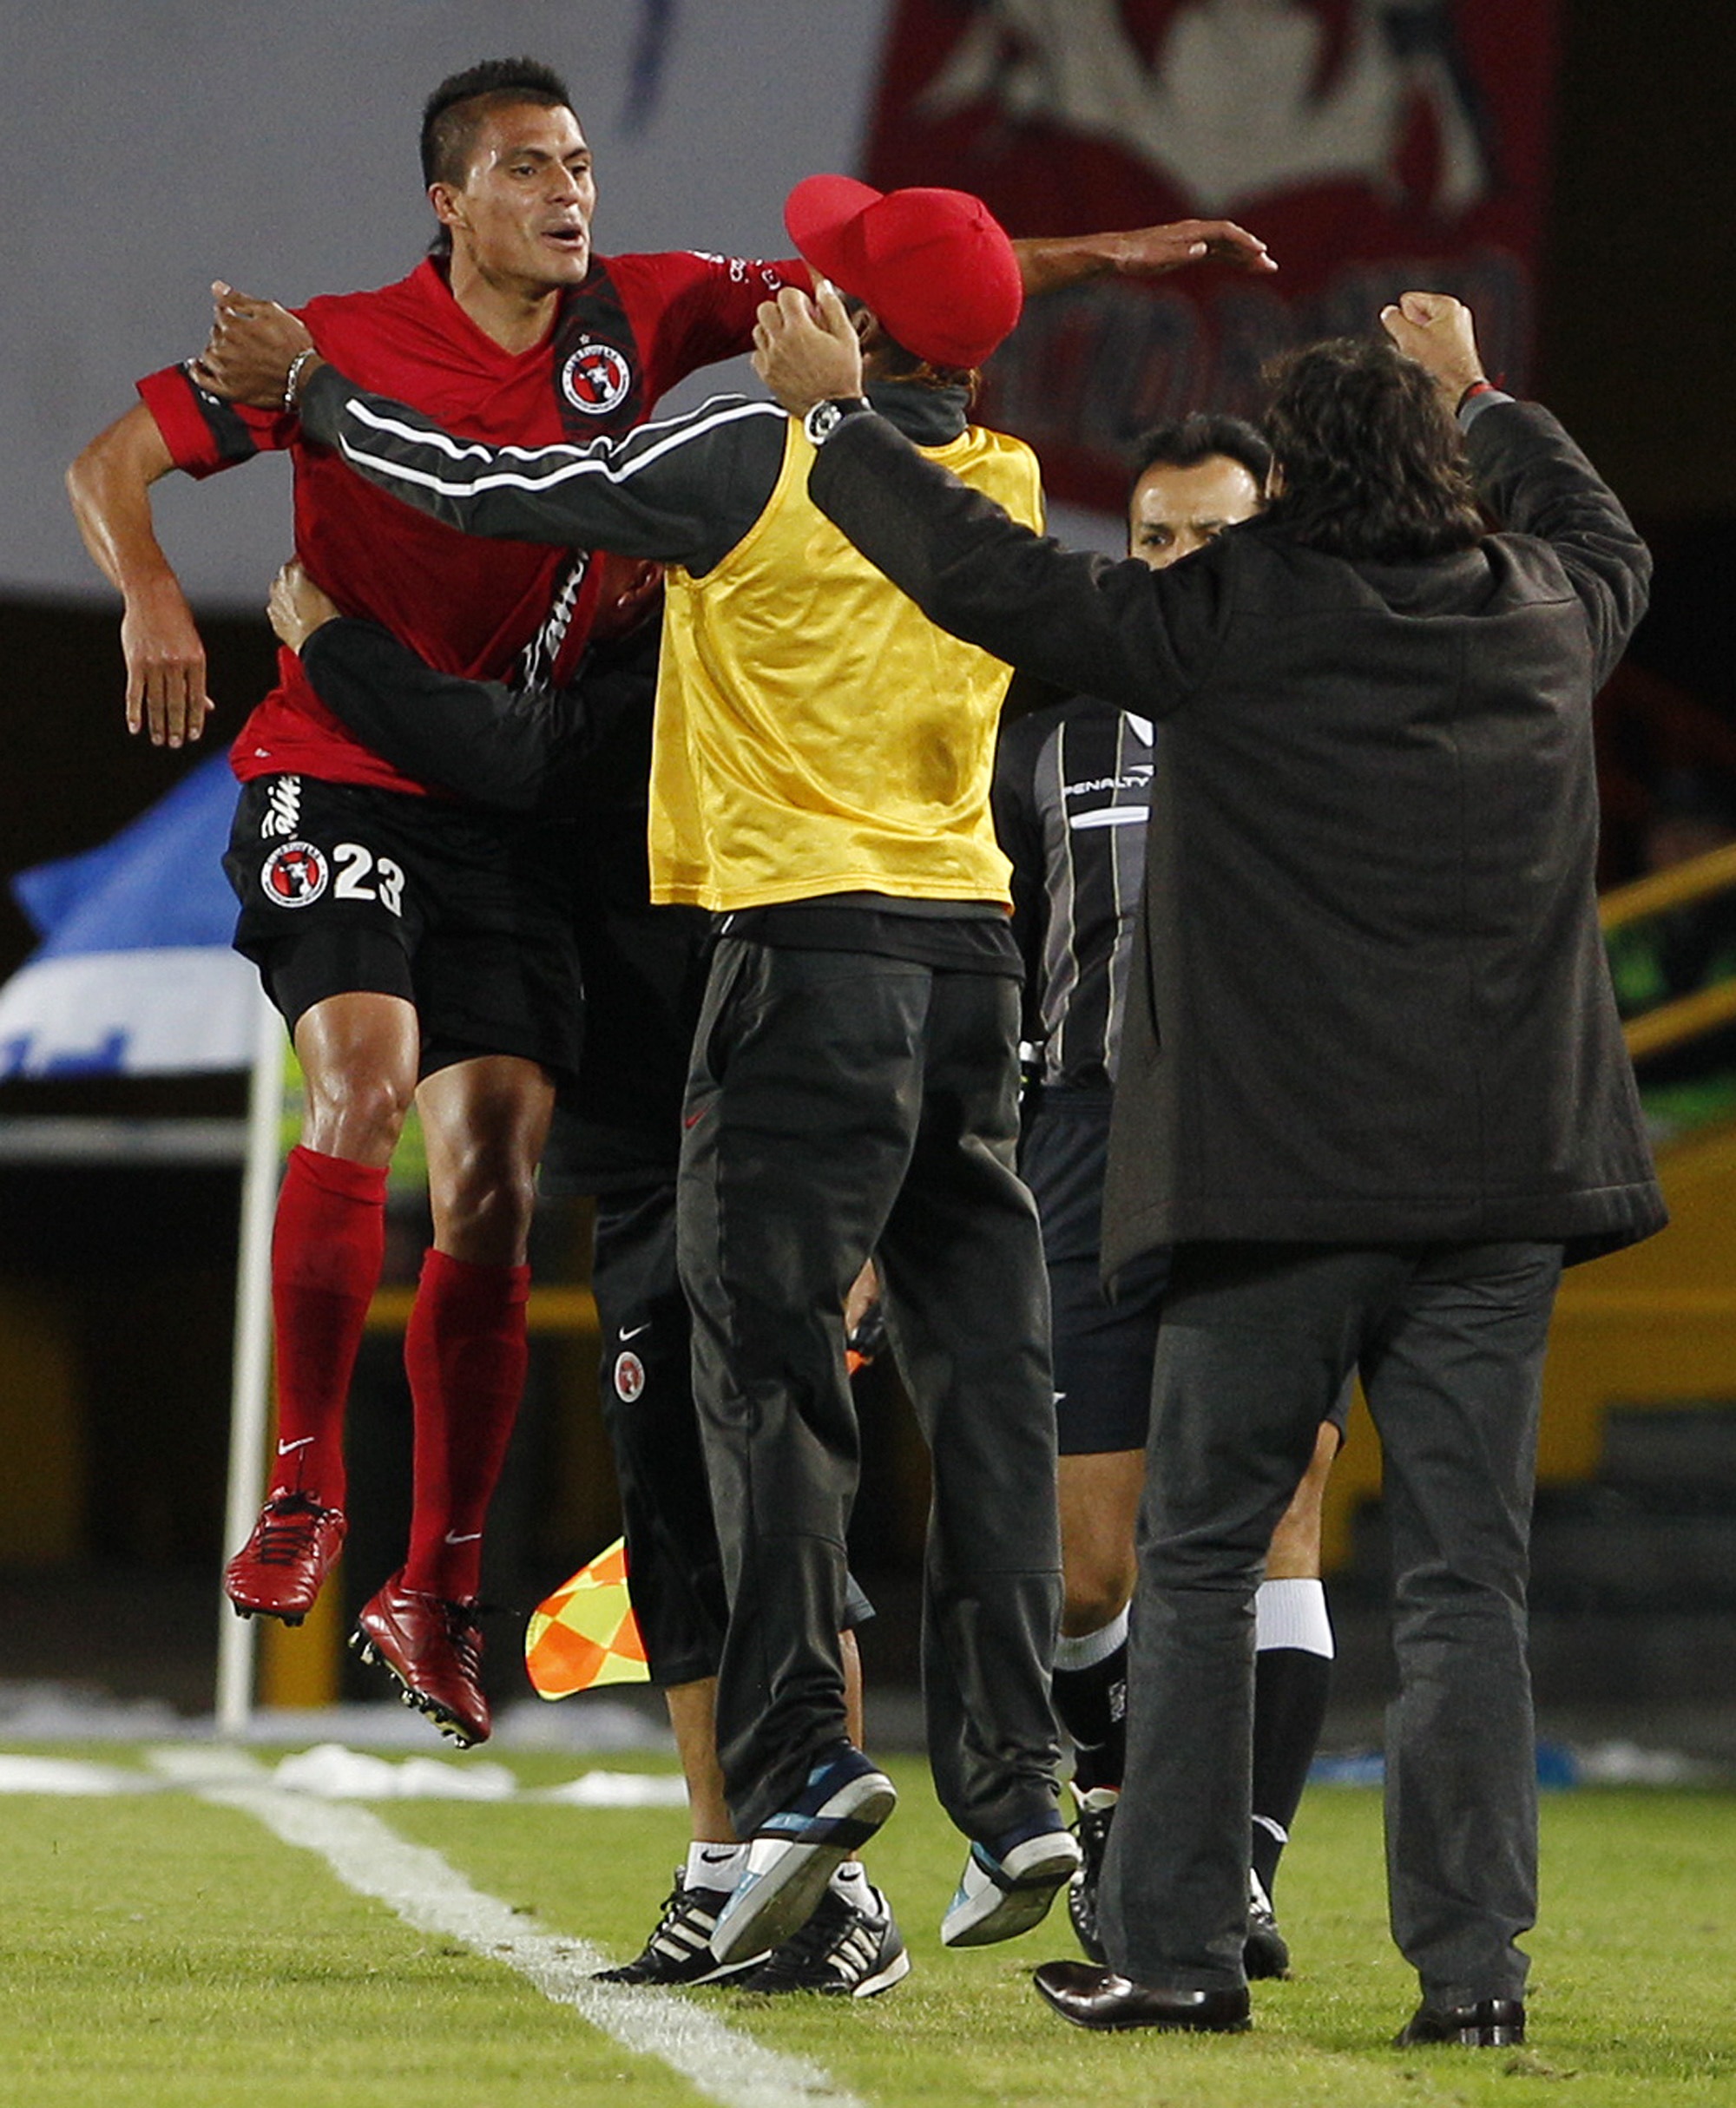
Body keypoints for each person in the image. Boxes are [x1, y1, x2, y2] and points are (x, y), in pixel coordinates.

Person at [66, 50, 1266, 1754]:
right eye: (531, 165)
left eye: (580, 162)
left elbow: (885, 304)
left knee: (494, 1183)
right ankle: (303, 1490)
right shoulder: (331, 340)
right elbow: (111, 463)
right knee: (365, 1081)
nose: (572, 190)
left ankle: (444, 1585)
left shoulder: (650, 318)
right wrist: (151, 601)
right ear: (449, 197)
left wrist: (1103, 253)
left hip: (541, 827)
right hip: (348, 773)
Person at [753, 285, 1666, 2043]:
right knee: (1468, 1585)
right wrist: (1480, 390)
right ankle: (1473, 1984)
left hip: (1277, 1191)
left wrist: (834, 425)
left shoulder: (1231, 613)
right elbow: (1597, 523)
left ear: (1296, 485)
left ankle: (1173, 1953)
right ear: (1439, 468)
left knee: (1194, 1560)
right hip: (1501, 1193)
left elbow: (989, 579)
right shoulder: (1542, 611)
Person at [266, 562, 906, 1997]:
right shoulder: (543, 682)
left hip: (757, 1143)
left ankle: (846, 1891)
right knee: (671, 1524)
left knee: (781, 1513)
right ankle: (723, 1871)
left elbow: (514, 755)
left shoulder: (704, 677)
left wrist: (332, 638)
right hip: (632, 1161)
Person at [994, 414, 1343, 1980]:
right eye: (1153, 542)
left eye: (1212, 539)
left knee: (1279, 1509)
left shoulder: (1335, 719)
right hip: (1081, 1131)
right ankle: (1128, 1803)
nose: (1179, 568)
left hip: (1273, 1141)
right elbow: (993, 955)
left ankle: (1238, 1875)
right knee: (1087, 1560)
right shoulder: (1044, 743)